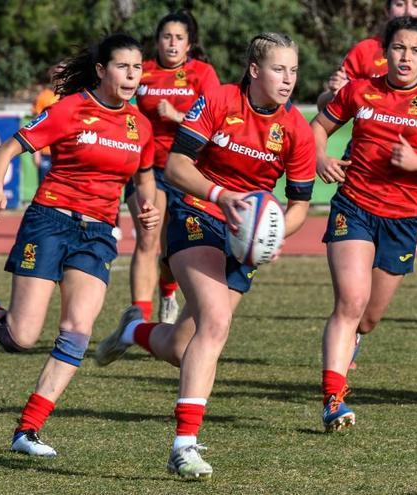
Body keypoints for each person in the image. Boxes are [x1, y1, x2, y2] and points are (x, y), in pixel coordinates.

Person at [95, 32, 315, 479]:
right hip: (197, 214)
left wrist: (276, 238)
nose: (288, 79)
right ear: (255, 71)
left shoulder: (297, 130)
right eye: (278, 69)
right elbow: (176, 167)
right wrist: (222, 195)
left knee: (183, 346)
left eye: (293, 70)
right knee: (216, 322)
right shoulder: (219, 101)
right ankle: (184, 444)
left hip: (241, 239)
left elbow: (299, 208)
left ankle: (134, 330)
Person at [0, 34, 159, 456]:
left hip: (98, 234)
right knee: (21, 336)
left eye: (137, 68)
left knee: (77, 332)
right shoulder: (70, 109)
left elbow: (141, 179)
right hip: (50, 222)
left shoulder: (140, 126)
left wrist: (145, 207)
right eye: (122, 67)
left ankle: (28, 430)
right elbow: (6, 150)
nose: (131, 75)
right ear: (101, 70)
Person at [313, 16, 417, 432]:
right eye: (399, 48)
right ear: (386, 51)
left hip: (402, 218)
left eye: (415, 51)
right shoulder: (360, 90)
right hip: (355, 207)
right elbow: (318, 127)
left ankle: (354, 342)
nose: (406, 57)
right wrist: (320, 157)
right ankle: (333, 399)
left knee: (368, 317)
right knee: (350, 301)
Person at [129, 10, 221, 324]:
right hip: (148, 170)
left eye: (179, 38)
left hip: (187, 171)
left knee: (173, 245)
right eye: (166, 36)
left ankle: (168, 293)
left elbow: (217, 125)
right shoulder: (142, 72)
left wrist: (179, 118)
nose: (172, 43)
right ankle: (138, 320)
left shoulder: (203, 73)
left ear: (189, 44)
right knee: (147, 238)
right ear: (156, 42)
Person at [30, 66, 59, 184]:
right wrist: (36, 153)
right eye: (57, 74)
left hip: (66, 153)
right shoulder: (43, 97)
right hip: (46, 152)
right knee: (44, 188)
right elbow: (36, 127)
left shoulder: (73, 97)